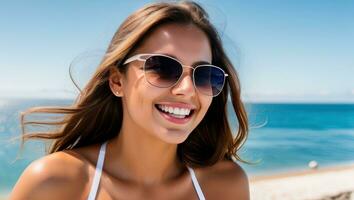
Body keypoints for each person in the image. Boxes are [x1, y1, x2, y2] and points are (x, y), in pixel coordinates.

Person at [10, 1, 249, 199]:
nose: (186, 90)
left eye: (205, 75)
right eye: (162, 67)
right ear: (117, 81)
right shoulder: (54, 183)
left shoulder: (226, 186)